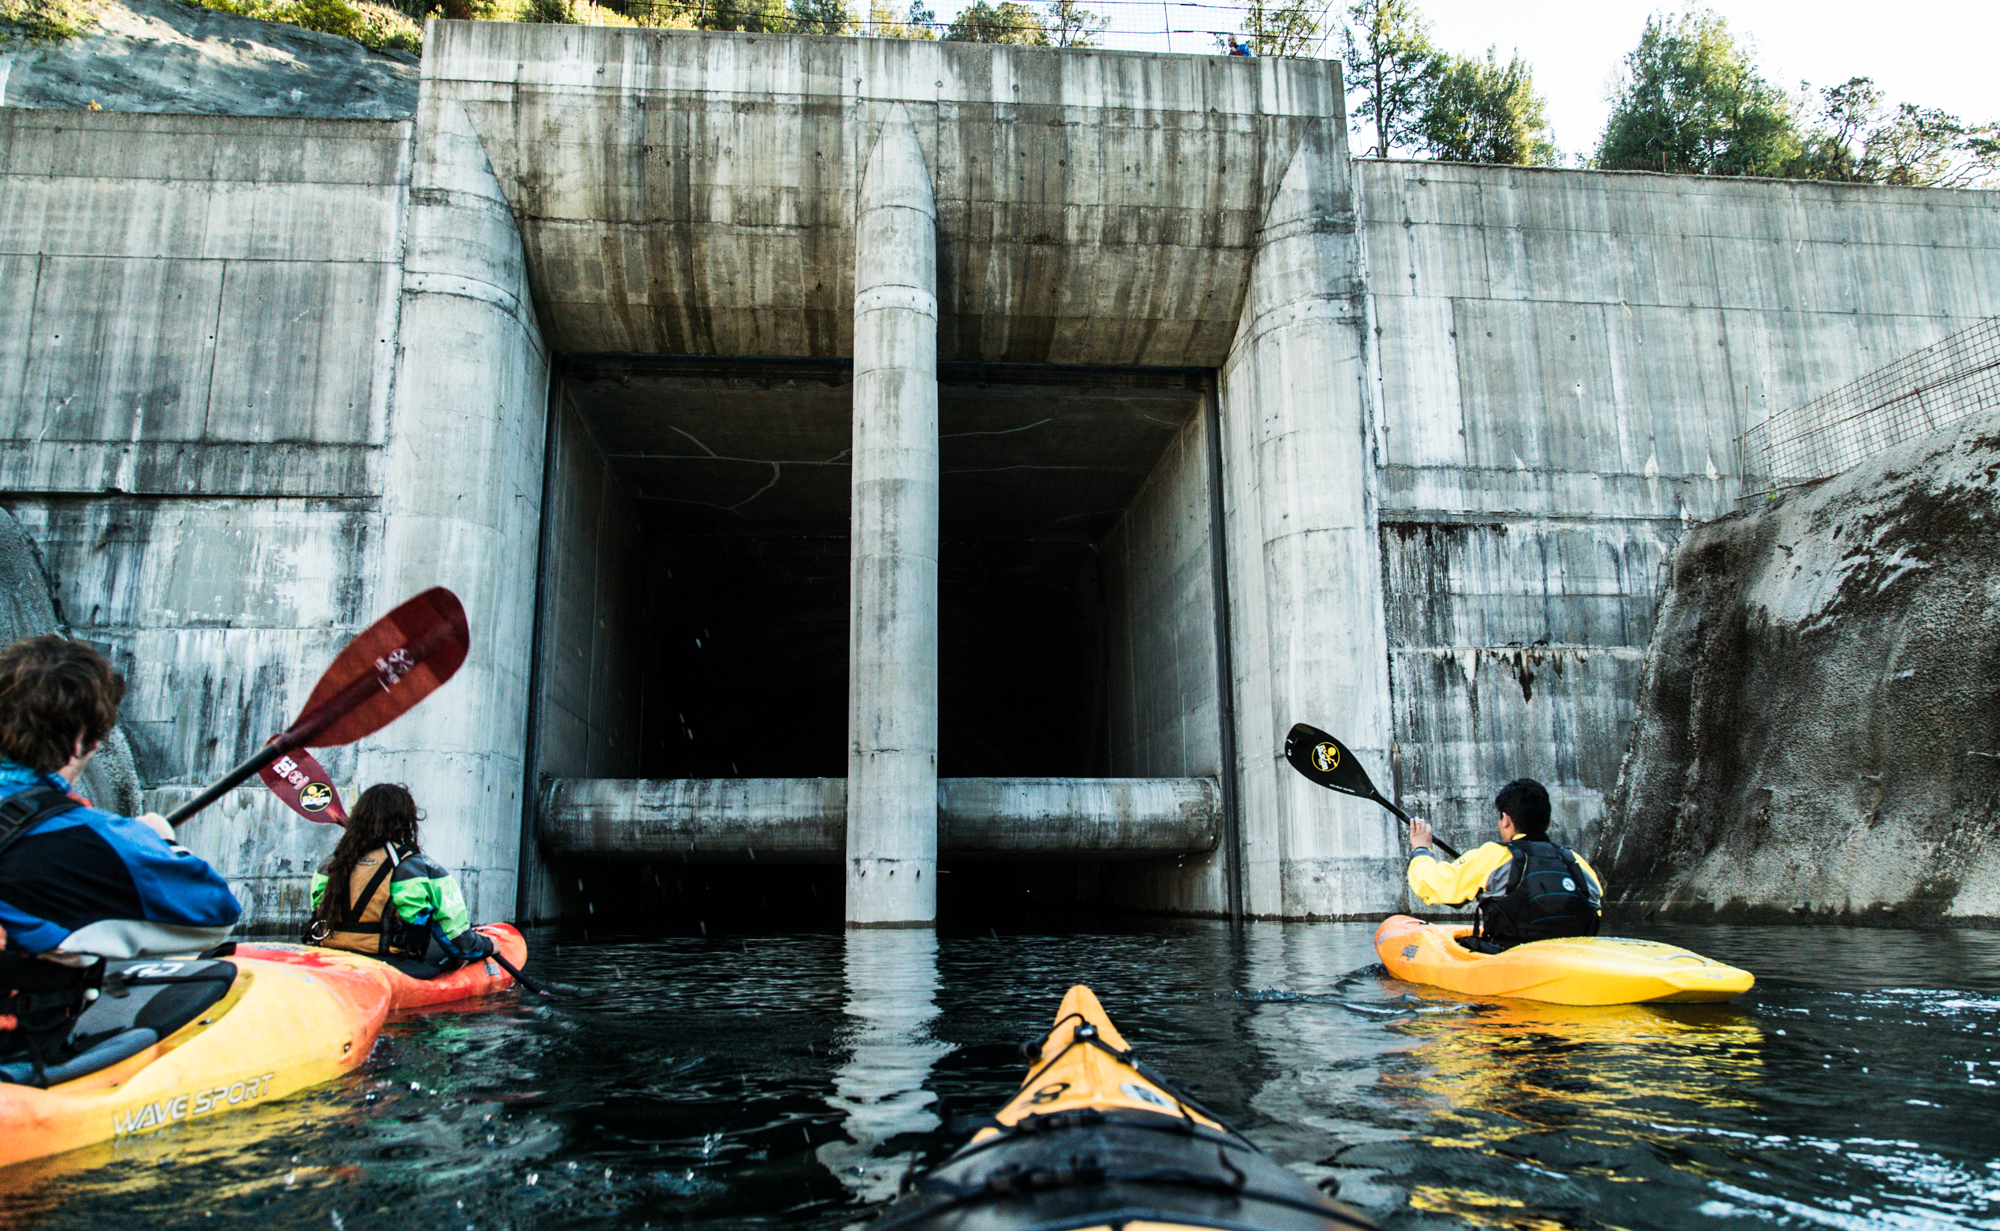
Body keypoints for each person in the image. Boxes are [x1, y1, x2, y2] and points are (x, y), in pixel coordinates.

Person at [0, 635, 241, 1072]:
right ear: (79, 740)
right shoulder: (87, 842)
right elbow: (215, 914)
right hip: (14, 1063)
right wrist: (153, 842)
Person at [305, 783, 495, 977]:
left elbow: (316, 914)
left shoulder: (330, 864)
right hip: (393, 966)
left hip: (330, 959)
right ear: (406, 821)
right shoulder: (418, 868)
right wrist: (489, 946)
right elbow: (459, 944)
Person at [1405, 777, 1601, 953]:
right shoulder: (1575, 861)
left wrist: (1421, 849)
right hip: (1574, 958)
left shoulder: (1494, 856)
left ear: (1505, 819)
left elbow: (1430, 884)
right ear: (1548, 822)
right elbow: (1595, 909)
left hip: (1512, 960)